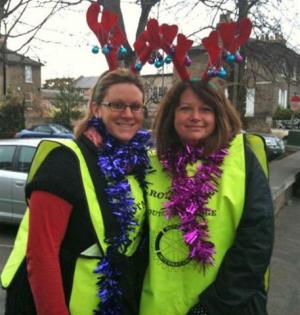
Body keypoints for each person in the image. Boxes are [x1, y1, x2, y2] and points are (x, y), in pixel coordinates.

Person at [1, 68, 152, 315]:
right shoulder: (64, 161)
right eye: (116, 105)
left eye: (136, 107)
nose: (128, 114)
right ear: (95, 108)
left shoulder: (136, 163)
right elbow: (41, 256)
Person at [139, 78, 274, 315]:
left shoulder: (242, 160)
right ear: (171, 114)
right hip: (156, 306)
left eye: (205, 109)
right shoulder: (150, 161)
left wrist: (211, 307)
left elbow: (256, 243)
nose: (195, 116)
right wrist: (94, 128)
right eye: (185, 108)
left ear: (219, 115)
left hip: (223, 306)